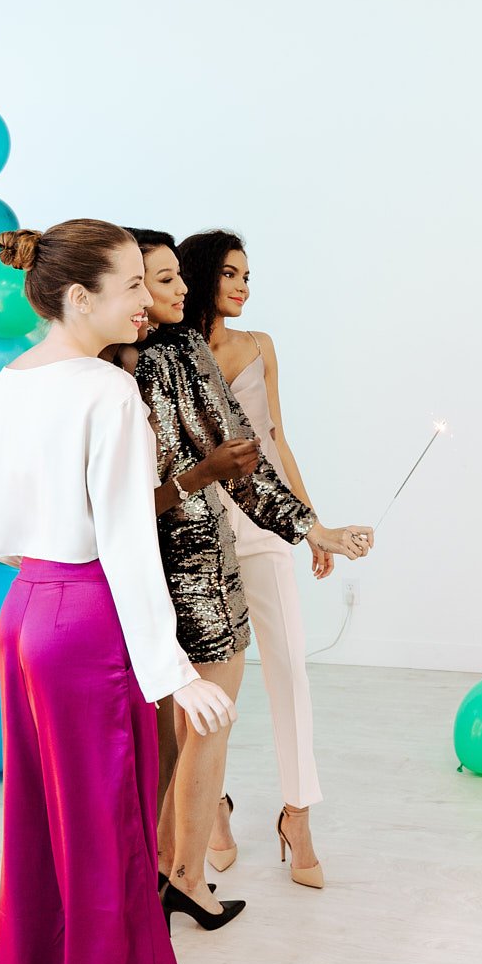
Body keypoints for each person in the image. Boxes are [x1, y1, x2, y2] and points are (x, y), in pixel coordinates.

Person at [0, 218, 234, 964]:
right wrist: (173, 671)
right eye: (131, 286)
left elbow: (7, 534)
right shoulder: (105, 390)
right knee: (109, 838)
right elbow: (126, 540)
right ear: (79, 297)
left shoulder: (4, 384)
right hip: (88, 620)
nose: (149, 302)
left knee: (42, 837)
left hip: (22, 612)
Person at [120, 227, 373, 929]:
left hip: (213, 554)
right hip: (137, 570)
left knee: (222, 711)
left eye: (176, 278)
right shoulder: (104, 368)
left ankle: (210, 858)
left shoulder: (194, 353)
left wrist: (311, 526)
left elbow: (255, 451)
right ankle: (173, 865)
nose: (177, 290)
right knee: (167, 732)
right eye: (159, 279)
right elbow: (111, 497)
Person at [177, 229, 328, 888]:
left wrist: (313, 522)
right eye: (232, 274)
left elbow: (278, 440)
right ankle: (211, 804)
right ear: (202, 277)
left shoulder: (261, 347)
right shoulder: (169, 354)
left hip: (264, 524)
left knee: (289, 666)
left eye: (249, 275)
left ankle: (298, 813)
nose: (244, 286)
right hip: (199, 534)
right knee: (204, 689)